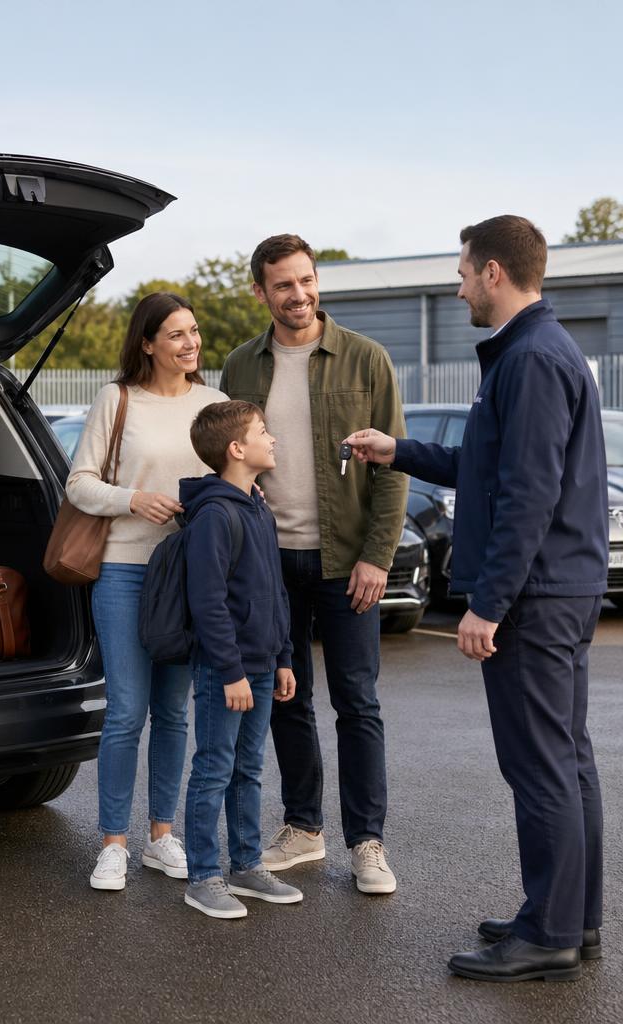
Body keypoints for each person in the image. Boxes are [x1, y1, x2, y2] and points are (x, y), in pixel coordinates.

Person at [346, 215, 607, 982]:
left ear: (494, 272)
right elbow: (488, 464)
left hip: (537, 596)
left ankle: (551, 931)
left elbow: (528, 495)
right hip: (564, 586)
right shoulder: (539, 353)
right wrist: (397, 449)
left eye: (463, 273)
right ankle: (570, 918)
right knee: (567, 762)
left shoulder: (529, 358)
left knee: (541, 768)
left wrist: (488, 604)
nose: (458, 287)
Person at [219, 234, 408, 894]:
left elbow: (393, 469)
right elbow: (226, 465)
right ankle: (303, 828)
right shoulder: (241, 367)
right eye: (282, 285)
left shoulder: (366, 359)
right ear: (261, 292)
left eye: (306, 281)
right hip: (270, 564)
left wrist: (377, 558)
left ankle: (367, 841)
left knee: (358, 701)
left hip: (347, 563)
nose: (297, 295)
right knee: (285, 695)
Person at [66, 292, 228, 891]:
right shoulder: (118, 399)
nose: (191, 344)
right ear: (147, 343)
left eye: (194, 332)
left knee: (174, 713)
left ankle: (162, 836)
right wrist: (132, 498)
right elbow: (79, 482)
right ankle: (113, 843)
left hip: (189, 575)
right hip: (125, 567)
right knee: (127, 710)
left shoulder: (215, 405)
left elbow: (234, 480)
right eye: (177, 334)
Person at [179, 401, 302, 918]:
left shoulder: (258, 506)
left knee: (248, 769)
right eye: (262, 432)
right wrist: (230, 671)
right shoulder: (214, 514)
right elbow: (206, 601)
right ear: (236, 449)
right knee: (214, 769)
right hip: (224, 670)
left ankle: (247, 865)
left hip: (263, 660)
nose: (271, 439)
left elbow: (274, 590)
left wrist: (284, 656)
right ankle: (203, 876)